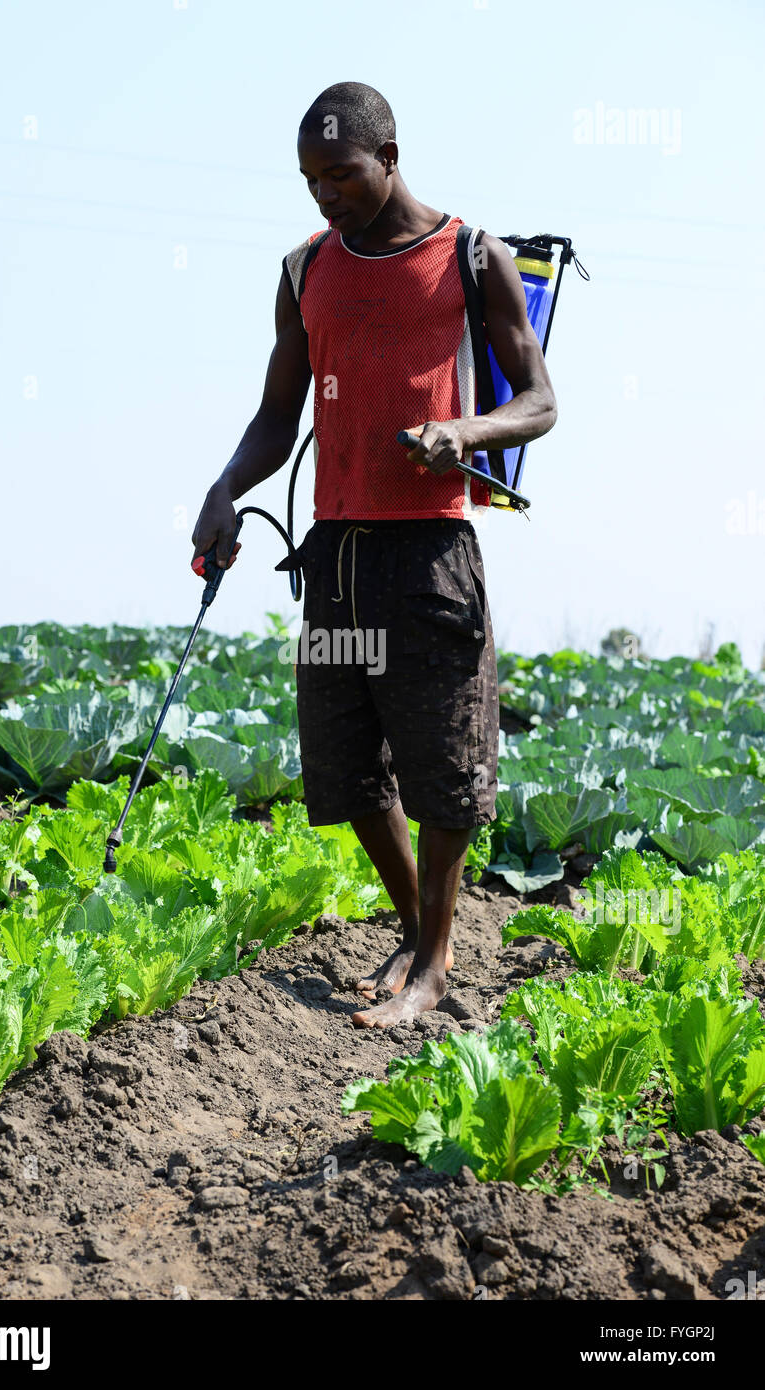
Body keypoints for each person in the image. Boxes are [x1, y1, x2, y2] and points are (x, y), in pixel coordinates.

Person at [192, 81, 557, 1029]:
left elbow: (540, 400)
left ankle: (435, 965)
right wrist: (227, 487)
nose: (326, 195)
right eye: (311, 180)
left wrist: (466, 434)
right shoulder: (305, 267)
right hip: (336, 562)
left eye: (342, 175)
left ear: (389, 157)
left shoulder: (471, 257)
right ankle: (418, 935)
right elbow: (280, 413)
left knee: (444, 766)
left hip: (430, 557)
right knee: (348, 765)